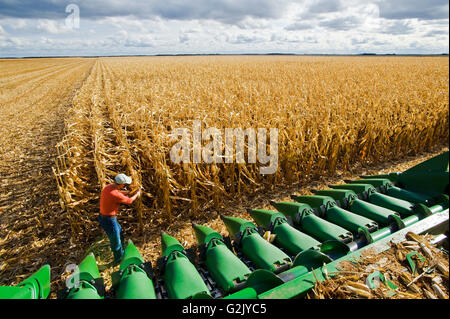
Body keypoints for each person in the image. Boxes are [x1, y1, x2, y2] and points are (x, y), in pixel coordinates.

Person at [98, 173, 141, 265]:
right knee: (115, 241)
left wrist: (128, 193)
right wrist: (137, 194)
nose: (125, 186)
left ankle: (122, 249)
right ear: (120, 184)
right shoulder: (115, 194)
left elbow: (117, 193)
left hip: (104, 217)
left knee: (120, 231)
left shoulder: (108, 187)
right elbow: (129, 201)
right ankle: (119, 260)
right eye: (125, 185)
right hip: (109, 220)